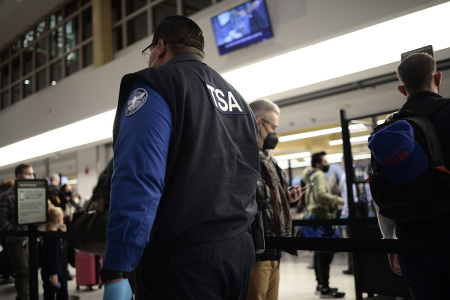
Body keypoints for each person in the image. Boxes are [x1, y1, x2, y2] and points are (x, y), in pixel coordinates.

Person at [101, 16, 260, 300]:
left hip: (185, 259)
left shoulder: (157, 85)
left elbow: (138, 177)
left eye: (150, 50)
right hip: (239, 251)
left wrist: (117, 267)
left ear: (160, 46)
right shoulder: (237, 99)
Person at [370, 52, 450, 300]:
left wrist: (389, 240)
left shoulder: (386, 130)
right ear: (437, 77)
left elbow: (380, 190)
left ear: (402, 89)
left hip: (409, 239)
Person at [246, 98, 302, 300]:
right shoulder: (243, 159)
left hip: (276, 246)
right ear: (258, 123)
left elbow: (271, 199)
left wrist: (290, 199)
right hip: (256, 252)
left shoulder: (272, 162)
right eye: (273, 126)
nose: (275, 133)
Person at [302, 152, 345, 298]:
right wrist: (336, 199)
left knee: (319, 252)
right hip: (323, 217)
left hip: (316, 217)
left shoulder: (312, 175)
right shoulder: (319, 175)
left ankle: (321, 285)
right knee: (325, 254)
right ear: (318, 164)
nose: (327, 164)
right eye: (325, 161)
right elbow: (321, 195)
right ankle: (324, 288)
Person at [0, 163, 35, 300]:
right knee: (23, 271)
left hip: (31, 238)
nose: (31, 177)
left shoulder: (33, 193)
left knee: (31, 270)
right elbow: (2, 222)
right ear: (18, 176)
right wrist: (19, 230)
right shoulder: (7, 196)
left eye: (32, 174)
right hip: (15, 240)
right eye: (28, 174)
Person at [41, 204, 68, 300]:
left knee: (49, 293)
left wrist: (63, 235)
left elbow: (60, 248)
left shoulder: (49, 234)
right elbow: (53, 256)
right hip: (54, 272)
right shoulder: (53, 238)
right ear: (60, 220)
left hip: (50, 271)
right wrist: (54, 274)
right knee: (62, 293)